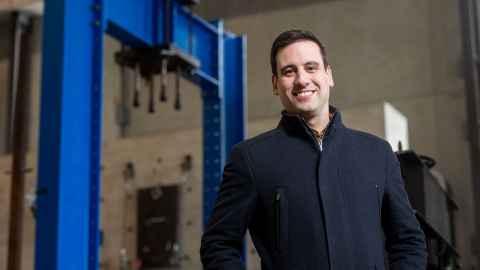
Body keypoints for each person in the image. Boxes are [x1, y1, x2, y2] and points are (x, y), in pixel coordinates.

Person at [200, 29, 427, 270]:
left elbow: (409, 241)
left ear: (328, 75)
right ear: (276, 84)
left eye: (311, 67)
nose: (302, 80)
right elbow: (218, 244)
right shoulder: (251, 159)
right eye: (289, 71)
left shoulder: (377, 154)